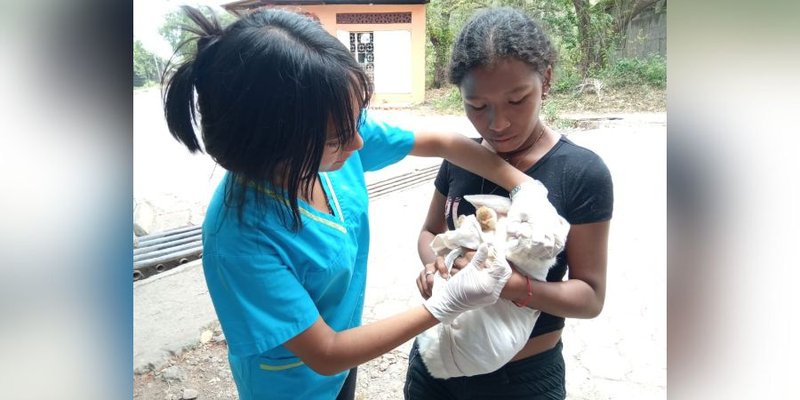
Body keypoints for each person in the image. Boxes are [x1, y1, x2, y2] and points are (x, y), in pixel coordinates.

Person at [160, 6, 545, 400]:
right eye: (337, 138)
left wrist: (525, 187)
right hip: (292, 386)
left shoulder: (331, 125)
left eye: (355, 121)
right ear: (273, 146)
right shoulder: (240, 239)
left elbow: (443, 143)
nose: (358, 144)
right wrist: (448, 303)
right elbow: (325, 353)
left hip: (345, 358)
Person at [406, 7, 614, 400]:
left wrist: (511, 286)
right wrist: (437, 266)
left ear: (546, 79)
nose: (497, 123)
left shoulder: (581, 172)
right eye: (477, 106)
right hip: (436, 362)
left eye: (517, 100)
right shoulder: (461, 156)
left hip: (521, 380)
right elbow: (431, 231)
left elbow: (589, 296)